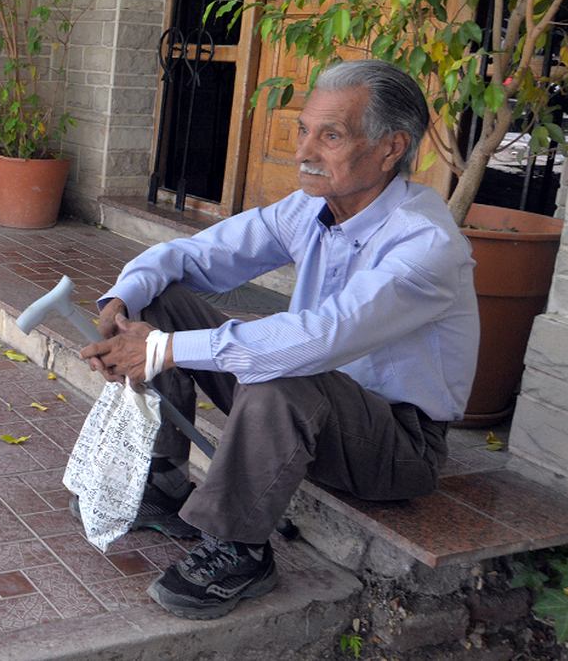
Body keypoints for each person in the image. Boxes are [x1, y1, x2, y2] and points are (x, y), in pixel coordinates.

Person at [78, 59, 480, 621]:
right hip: (313, 407)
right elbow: (197, 254)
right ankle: (165, 478)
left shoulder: (425, 244)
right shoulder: (312, 207)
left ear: (391, 148)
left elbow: (317, 338)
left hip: (395, 445)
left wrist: (162, 350)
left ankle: (239, 548)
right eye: (303, 131)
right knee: (158, 297)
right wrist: (122, 300)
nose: (304, 152)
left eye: (331, 136)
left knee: (281, 369)